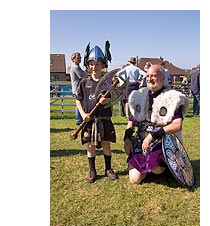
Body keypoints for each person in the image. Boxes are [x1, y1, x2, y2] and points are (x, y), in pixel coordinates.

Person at [123, 65, 189, 184]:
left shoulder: (172, 98)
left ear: (162, 78)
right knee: (134, 179)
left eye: (153, 76)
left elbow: (177, 125)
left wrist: (153, 135)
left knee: (156, 169)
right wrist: (127, 138)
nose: (149, 79)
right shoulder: (140, 96)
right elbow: (132, 121)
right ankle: (146, 167)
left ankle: (163, 166)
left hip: (161, 142)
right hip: (141, 141)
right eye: (147, 76)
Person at [75, 42, 118, 183]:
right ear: (88, 65)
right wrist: (83, 115)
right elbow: (78, 100)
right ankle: (92, 171)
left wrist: (108, 100)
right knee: (90, 145)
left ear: (103, 65)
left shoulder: (109, 82)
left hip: (104, 118)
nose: (94, 67)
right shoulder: (84, 82)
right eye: (91, 64)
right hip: (90, 120)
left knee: (106, 144)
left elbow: (115, 97)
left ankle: (108, 169)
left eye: (97, 64)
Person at [70, 52, 88, 125]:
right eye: (78, 58)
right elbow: (83, 76)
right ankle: (79, 120)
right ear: (73, 59)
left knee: (80, 104)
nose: (80, 59)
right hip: (77, 89)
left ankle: (79, 120)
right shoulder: (75, 67)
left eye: (80, 57)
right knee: (79, 105)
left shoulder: (76, 66)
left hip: (77, 88)